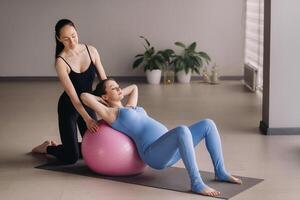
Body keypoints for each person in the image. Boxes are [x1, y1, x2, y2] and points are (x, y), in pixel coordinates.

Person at [80, 78, 242, 197]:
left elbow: (135, 87)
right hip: (153, 155)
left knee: (208, 124)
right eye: (113, 88)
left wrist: (118, 91)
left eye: (118, 86)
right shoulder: (111, 114)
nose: (119, 89)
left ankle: (220, 171)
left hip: (171, 148)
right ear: (105, 97)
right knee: (181, 130)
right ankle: (196, 183)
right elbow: (84, 96)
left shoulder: (130, 107)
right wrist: (101, 99)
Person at [32, 19, 107, 164]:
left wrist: (114, 108)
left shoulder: (91, 51)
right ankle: (47, 147)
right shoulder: (61, 62)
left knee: (93, 148)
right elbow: (73, 96)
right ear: (59, 39)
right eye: (66, 39)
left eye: (73, 36)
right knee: (71, 157)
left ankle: (70, 146)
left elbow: (105, 83)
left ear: (77, 32)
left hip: (88, 104)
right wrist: (88, 119)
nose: (72, 42)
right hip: (69, 107)